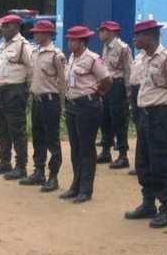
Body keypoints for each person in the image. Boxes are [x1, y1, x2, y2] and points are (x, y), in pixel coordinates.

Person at [124, 20, 167, 229]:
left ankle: (166, 209)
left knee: (161, 163)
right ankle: (148, 202)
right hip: (145, 115)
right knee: (143, 161)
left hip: (162, 115)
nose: (135, 39)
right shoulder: (142, 58)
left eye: (138, 35)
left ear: (150, 36)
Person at [59, 26, 112, 203]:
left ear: (82, 42)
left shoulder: (93, 59)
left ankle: (86, 189)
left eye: (72, 40)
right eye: (69, 39)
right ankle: (76, 184)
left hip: (88, 106)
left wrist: (97, 93)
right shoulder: (72, 58)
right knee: (75, 148)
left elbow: (107, 79)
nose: (69, 43)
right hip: (73, 106)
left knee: (86, 149)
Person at [18, 20, 65, 192]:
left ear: (47, 34)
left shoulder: (56, 55)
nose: (35, 35)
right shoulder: (35, 52)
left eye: (38, 32)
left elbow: (62, 81)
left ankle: (53, 176)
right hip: (37, 101)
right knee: (38, 138)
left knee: (52, 139)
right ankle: (39, 171)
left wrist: (62, 105)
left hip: (50, 101)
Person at [0, 14, 32, 180]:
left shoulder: (23, 46)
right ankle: (5, 161)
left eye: (7, 26)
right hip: (0, 92)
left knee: (17, 130)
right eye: (3, 26)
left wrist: (27, 90)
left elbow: (32, 68)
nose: (3, 29)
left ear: (16, 27)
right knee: (2, 128)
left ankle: (21, 166)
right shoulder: (3, 44)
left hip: (15, 91)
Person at [97, 21, 132, 168]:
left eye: (103, 31)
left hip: (118, 85)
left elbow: (129, 70)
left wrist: (129, 90)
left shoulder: (123, 48)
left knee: (119, 120)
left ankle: (123, 155)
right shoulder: (105, 46)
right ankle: (106, 151)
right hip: (107, 85)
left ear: (111, 32)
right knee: (105, 118)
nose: (100, 33)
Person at [127, 49, 145, 176]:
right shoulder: (139, 56)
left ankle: (146, 166)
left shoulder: (162, 56)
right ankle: (140, 165)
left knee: (146, 132)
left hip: (146, 93)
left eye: (139, 35)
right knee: (140, 130)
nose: (135, 38)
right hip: (135, 92)